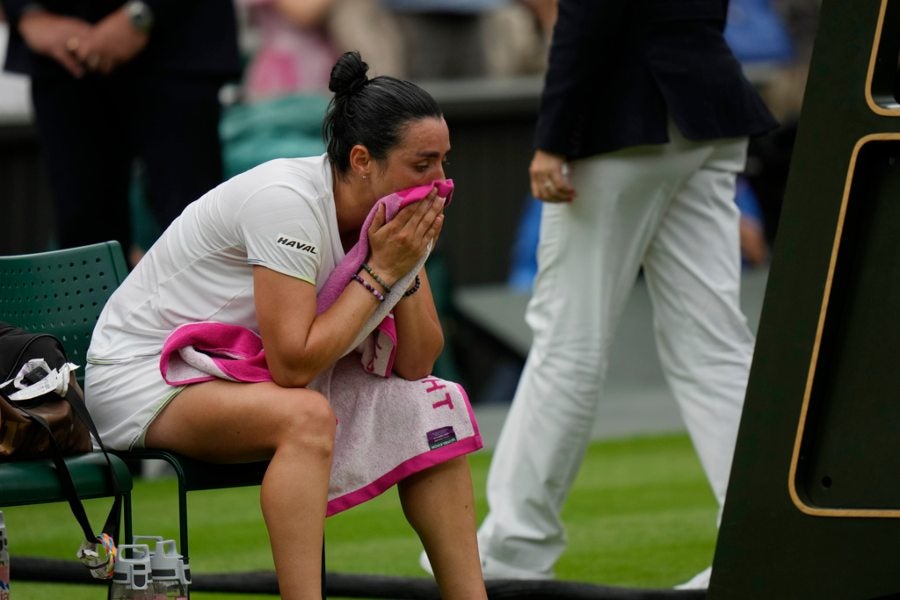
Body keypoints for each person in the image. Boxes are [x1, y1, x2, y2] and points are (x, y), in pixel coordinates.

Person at [84, 51, 488, 600]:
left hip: (235, 373)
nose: (440, 183)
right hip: (141, 375)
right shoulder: (286, 202)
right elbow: (294, 366)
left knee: (429, 402)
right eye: (422, 165)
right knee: (304, 417)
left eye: (444, 162)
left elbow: (417, 364)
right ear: (363, 160)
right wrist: (381, 271)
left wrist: (405, 266)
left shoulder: (390, 222)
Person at [454, 0, 778, 589]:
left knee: (567, 343)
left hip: (623, 125)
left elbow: (589, 14)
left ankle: (514, 547)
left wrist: (556, 137)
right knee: (714, 343)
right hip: (705, 110)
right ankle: (768, 544)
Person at [0, 0, 241, 264]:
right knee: (85, 245)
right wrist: (26, 14)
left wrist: (143, 13)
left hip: (180, 42)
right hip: (63, 56)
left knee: (193, 231)